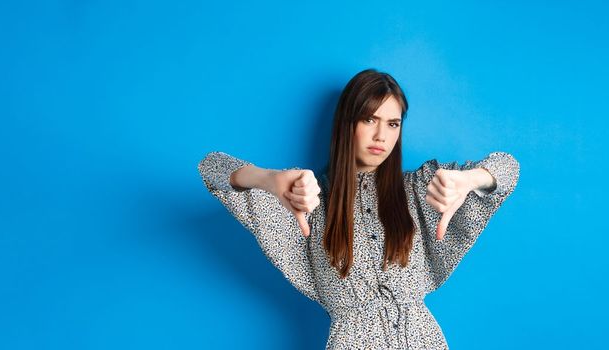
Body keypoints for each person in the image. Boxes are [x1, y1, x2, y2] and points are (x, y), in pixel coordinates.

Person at [198, 68, 520, 349]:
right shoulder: (307, 201)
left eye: (393, 124)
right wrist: (270, 179)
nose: (382, 135)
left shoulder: (419, 189)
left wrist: (471, 180)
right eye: (370, 119)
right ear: (347, 123)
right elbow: (212, 168)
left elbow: (509, 168)